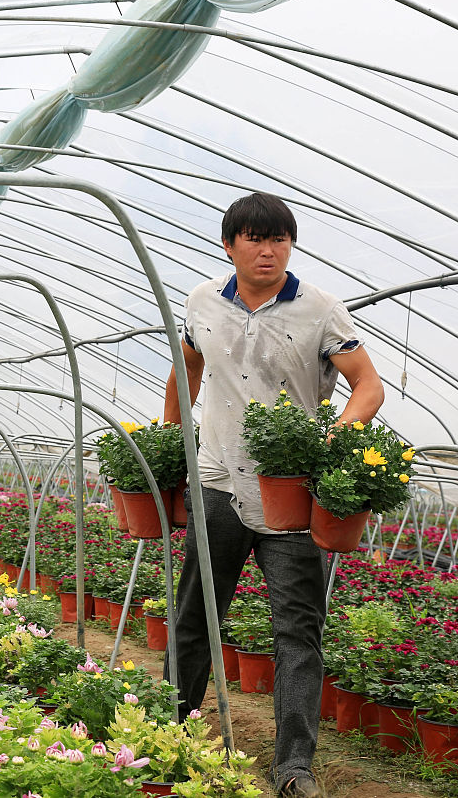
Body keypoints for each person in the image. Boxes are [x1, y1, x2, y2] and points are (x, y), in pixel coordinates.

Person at [162, 192, 384, 798]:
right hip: (216, 486)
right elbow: (187, 370)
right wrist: (171, 444)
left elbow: (368, 387)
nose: (270, 250)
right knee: (195, 620)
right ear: (230, 245)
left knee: (297, 633)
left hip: (290, 497)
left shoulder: (321, 310)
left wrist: (335, 439)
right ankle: (167, 736)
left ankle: (293, 770)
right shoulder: (203, 301)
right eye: (256, 239)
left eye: (280, 238)